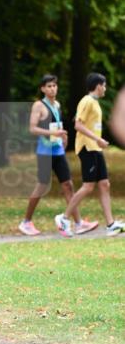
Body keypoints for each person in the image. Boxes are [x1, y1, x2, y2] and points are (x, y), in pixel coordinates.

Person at [18, 74, 97, 237]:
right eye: (49, 86)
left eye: (54, 85)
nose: (52, 89)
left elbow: (57, 126)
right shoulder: (39, 106)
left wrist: (63, 137)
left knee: (68, 185)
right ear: (43, 89)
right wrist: (53, 133)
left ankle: (79, 223)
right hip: (44, 153)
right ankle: (26, 222)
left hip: (58, 151)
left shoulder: (57, 104)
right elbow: (33, 129)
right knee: (42, 186)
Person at [55, 73, 124, 237]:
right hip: (87, 148)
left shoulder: (94, 102)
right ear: (98, 86)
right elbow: (78, 125)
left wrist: (98, 142)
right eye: (104, 85)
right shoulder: (86, 101)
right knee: (88, 186)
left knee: (104, 184)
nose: (105, 88)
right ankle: (64, 218)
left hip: (95, 149)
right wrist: (97, 139)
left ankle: (111, 224)